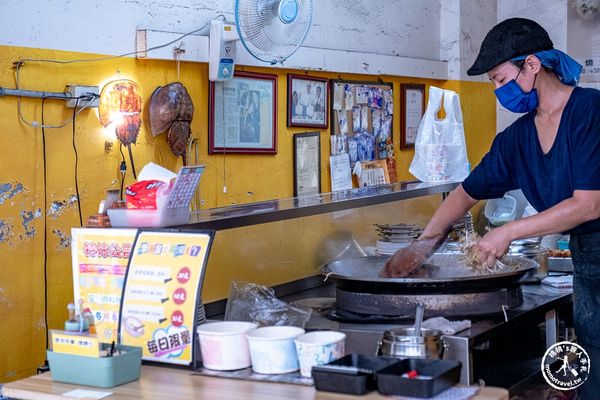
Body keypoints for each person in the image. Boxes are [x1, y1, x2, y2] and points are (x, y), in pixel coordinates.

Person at [384, 18, 598, 398]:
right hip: (588, 263)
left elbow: (588, 204)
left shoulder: (589, 113)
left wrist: (506, 231)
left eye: (500, 79)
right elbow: (468, 192)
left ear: (531, 65)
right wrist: (423, 243)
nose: (499, 91)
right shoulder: (517, 138)